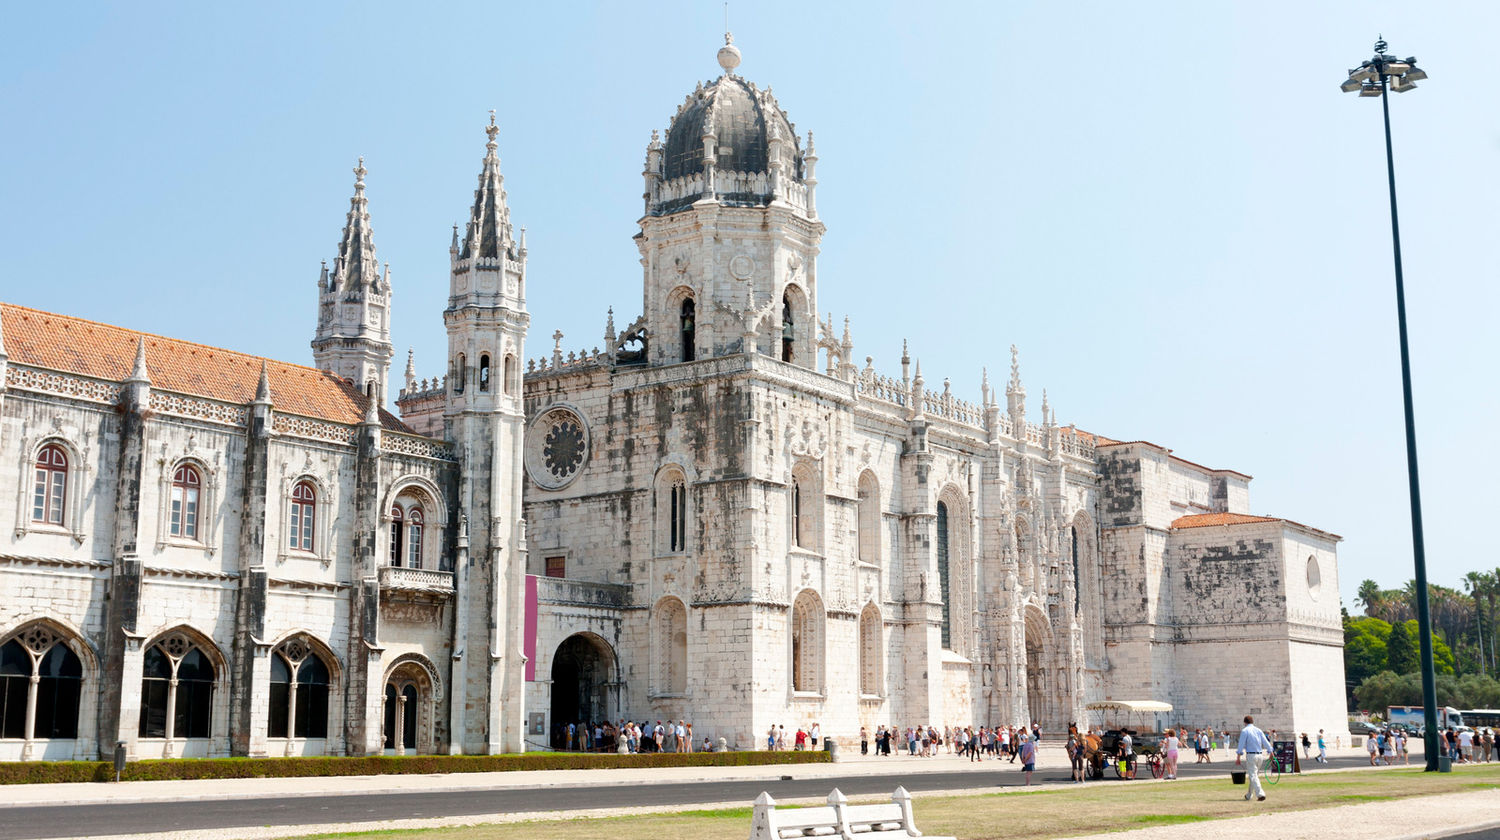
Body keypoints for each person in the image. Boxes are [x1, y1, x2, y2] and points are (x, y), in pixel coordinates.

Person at [1236, 715, 1272, 802]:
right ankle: (1249, 795)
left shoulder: (1245, 731)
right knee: (1254, 776)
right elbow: (1266, 742)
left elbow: (1241, 746)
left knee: (1253, 776)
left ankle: (1260, 794)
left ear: (1245, 722)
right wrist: (1271, 752)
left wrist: (1238, 757)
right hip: (1260, 756)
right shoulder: (1258, 730)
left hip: (1251, 756)